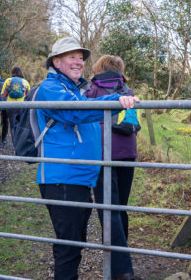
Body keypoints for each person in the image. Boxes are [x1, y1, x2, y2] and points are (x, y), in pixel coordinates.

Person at [36, 36, 139, 280]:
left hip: (80, 178)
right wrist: (115, 100)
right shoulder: (50, 88)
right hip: (62, 179)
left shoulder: (75, 89)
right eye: (71, 57)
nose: (78, 62)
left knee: (75, 243)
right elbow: (76, 112)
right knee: (69, 246)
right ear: (56, 62)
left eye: (80, 58)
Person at [85, 55, 138, 280]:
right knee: (120, 208)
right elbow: (134, 124)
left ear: (99, 68)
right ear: (119, 69)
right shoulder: (127, 90)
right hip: (127, 154)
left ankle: (121, 269)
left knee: (108, 209)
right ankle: (121, 255)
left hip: (103, 154)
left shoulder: (92, 90)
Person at [1, 66, 30, 145]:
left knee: (12, 127)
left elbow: (3, 95)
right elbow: (28, 96)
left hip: (10, 106)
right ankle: (21, 143)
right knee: (21, 125)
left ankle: (15, 145)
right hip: (22, 106)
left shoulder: (8, 80)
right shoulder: (25, 82)